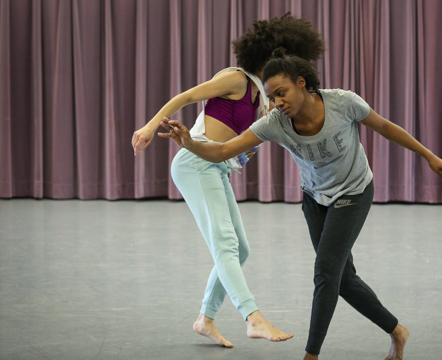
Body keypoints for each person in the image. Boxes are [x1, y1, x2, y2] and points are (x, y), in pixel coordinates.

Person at [157, 49, 442, 360]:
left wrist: (430, 156)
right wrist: (190, 143)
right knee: (343, 280)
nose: (276, 103)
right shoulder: (275, 123)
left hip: (353, 192)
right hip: (315, 198)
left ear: (302, 83)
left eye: (282, 93)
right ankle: (397, 331)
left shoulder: (343, 102)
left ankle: (311, 356)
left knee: (326, 271)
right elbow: (223, 151)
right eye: (271, 97)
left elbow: (385, 128)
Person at [131, 16, 324, 348]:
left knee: (241, 250)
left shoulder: (264, 98)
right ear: (270, 56)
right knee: (225, 245)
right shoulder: (236, 79)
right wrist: (150, 126)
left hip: (214, 169)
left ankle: (205, 318)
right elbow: (186, 96)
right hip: (195, 164)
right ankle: (253, 317)